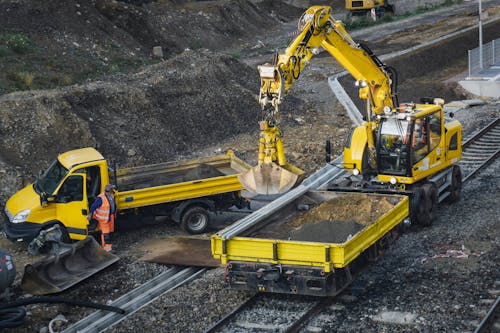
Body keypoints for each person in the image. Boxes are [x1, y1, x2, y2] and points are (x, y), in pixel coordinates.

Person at [87, 184, 116, 251]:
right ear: (108, 191)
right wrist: (90, 214)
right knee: (106, 234)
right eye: (112, 190)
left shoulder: (111, 195)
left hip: (110, 217)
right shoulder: (100, 198)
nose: (113, 191)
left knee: (111, 232)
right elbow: (93, 206)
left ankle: (109, 247)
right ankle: (107, 250)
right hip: (104, 219)